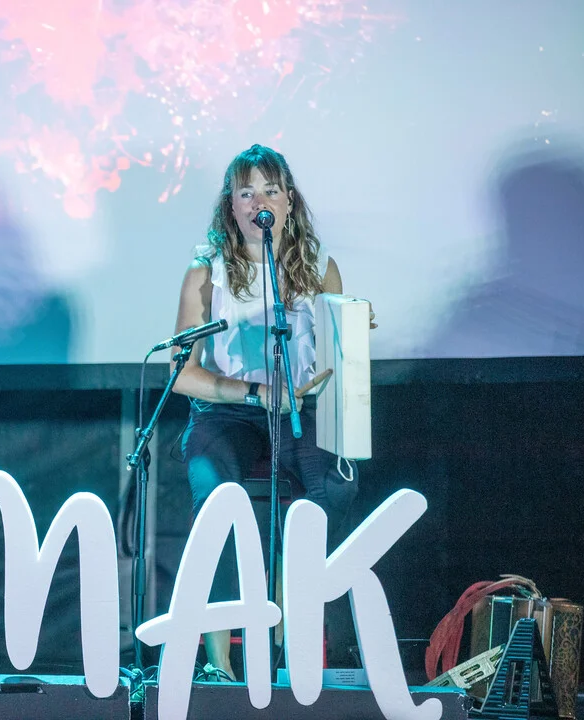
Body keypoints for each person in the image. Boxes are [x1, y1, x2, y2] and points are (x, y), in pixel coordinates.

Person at [172, 144, 370, 681]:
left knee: (335, 488)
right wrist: (254, 392)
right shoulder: (206, 272)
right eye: (247, 192)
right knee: (215, 500)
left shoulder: (319, 268)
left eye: (271, 190)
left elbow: (336, 359)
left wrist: (352, 331)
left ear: (289, 202)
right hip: (228, 412)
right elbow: (182, 373)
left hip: (300, 407)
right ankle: (218, 661)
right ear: (231, 207)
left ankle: (287, 627)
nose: (260, 201)